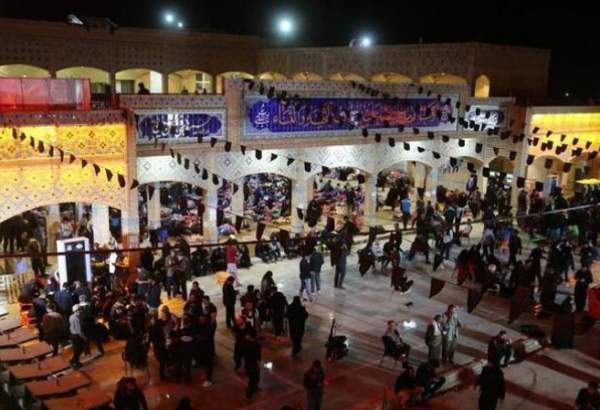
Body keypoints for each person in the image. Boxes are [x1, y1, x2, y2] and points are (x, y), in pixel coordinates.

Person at [242, 333, 262, 400]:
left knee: (253, 379)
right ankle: (248, 395)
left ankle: (254, 388)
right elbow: (258, 358)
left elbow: (244, 356)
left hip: (248, 365)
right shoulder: (257, 345)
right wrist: (259, 365)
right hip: (253, 365)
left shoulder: (245, 344)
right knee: (253, 380)